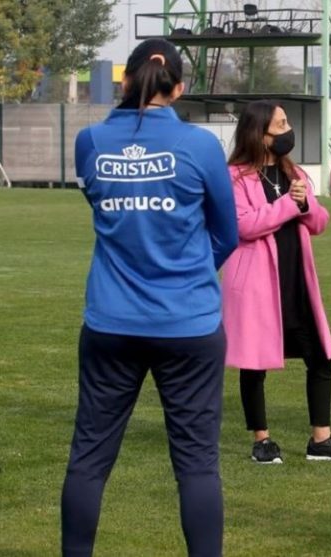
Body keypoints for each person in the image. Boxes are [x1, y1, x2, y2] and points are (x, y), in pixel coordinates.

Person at [61, 39, 238, 557]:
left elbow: (102, 206)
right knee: (197, 463)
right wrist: (186, 276)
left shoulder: (90, 141)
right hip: (189, 324)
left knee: (89, 458)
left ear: (125, 81)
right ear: (179, 88)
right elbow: (226, 232)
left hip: (111, 321)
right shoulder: (200, 145)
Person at [222, 100, 331, 464]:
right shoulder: (235, 176)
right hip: (255, 283)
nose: (288, 130)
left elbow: (319, 222)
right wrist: (289, 204)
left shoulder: (293, 171)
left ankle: (321, 440)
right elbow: (245, 226)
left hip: (295, 279)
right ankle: (262, 440)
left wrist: (305, 205)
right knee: (254, 363)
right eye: (281, 125)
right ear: (261, 134)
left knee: (321, 355)